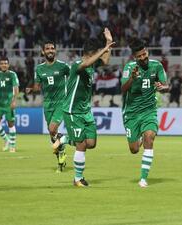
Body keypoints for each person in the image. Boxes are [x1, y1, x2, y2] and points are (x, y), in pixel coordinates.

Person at [61, 28, 114, 187]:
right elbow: (86, 63)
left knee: (91, 143)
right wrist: (103, 50)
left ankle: (63, 139)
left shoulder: (93, 63)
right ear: (91, 52)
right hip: (73, 110)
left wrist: (108, 43)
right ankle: (78, 179)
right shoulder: (77, 64)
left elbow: (105, 61)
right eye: (97, 52)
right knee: (82, 144)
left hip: (85, 110)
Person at [121, 38, 169, 188]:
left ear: (147, 51)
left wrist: (162, 87)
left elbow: (165, 85)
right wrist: (132, 78)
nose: (143, 58)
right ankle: (138, 139)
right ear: (134, 57)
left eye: (144, 54)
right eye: (139, 56)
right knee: (134, 149)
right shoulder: (129, 68)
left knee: (149, 137)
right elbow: (123, 89)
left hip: (149, 110)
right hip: (131, 113)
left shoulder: (157, 66)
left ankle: (143, 178)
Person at [27, 40, 71, 172]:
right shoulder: (39, 68)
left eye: (52, 48)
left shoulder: (63, 66)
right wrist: (31, 89)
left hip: (61, 102)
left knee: (52, 129)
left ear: (55, 51)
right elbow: (37, 86)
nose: (50, 50)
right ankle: (61, 155)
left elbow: (74, 77)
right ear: (43, 52)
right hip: (47, 104)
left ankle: (61, 147)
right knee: (52, 134)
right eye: (47, 48)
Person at [0, 56, 19, 152]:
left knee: (10, 124)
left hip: (8, 104)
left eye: (5, 63)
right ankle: (6, 140)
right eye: (2, 63)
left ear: (8, 65)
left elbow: (16, 88)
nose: (4, 65)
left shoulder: (12, 75)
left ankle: (12, 145)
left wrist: (14, 100)